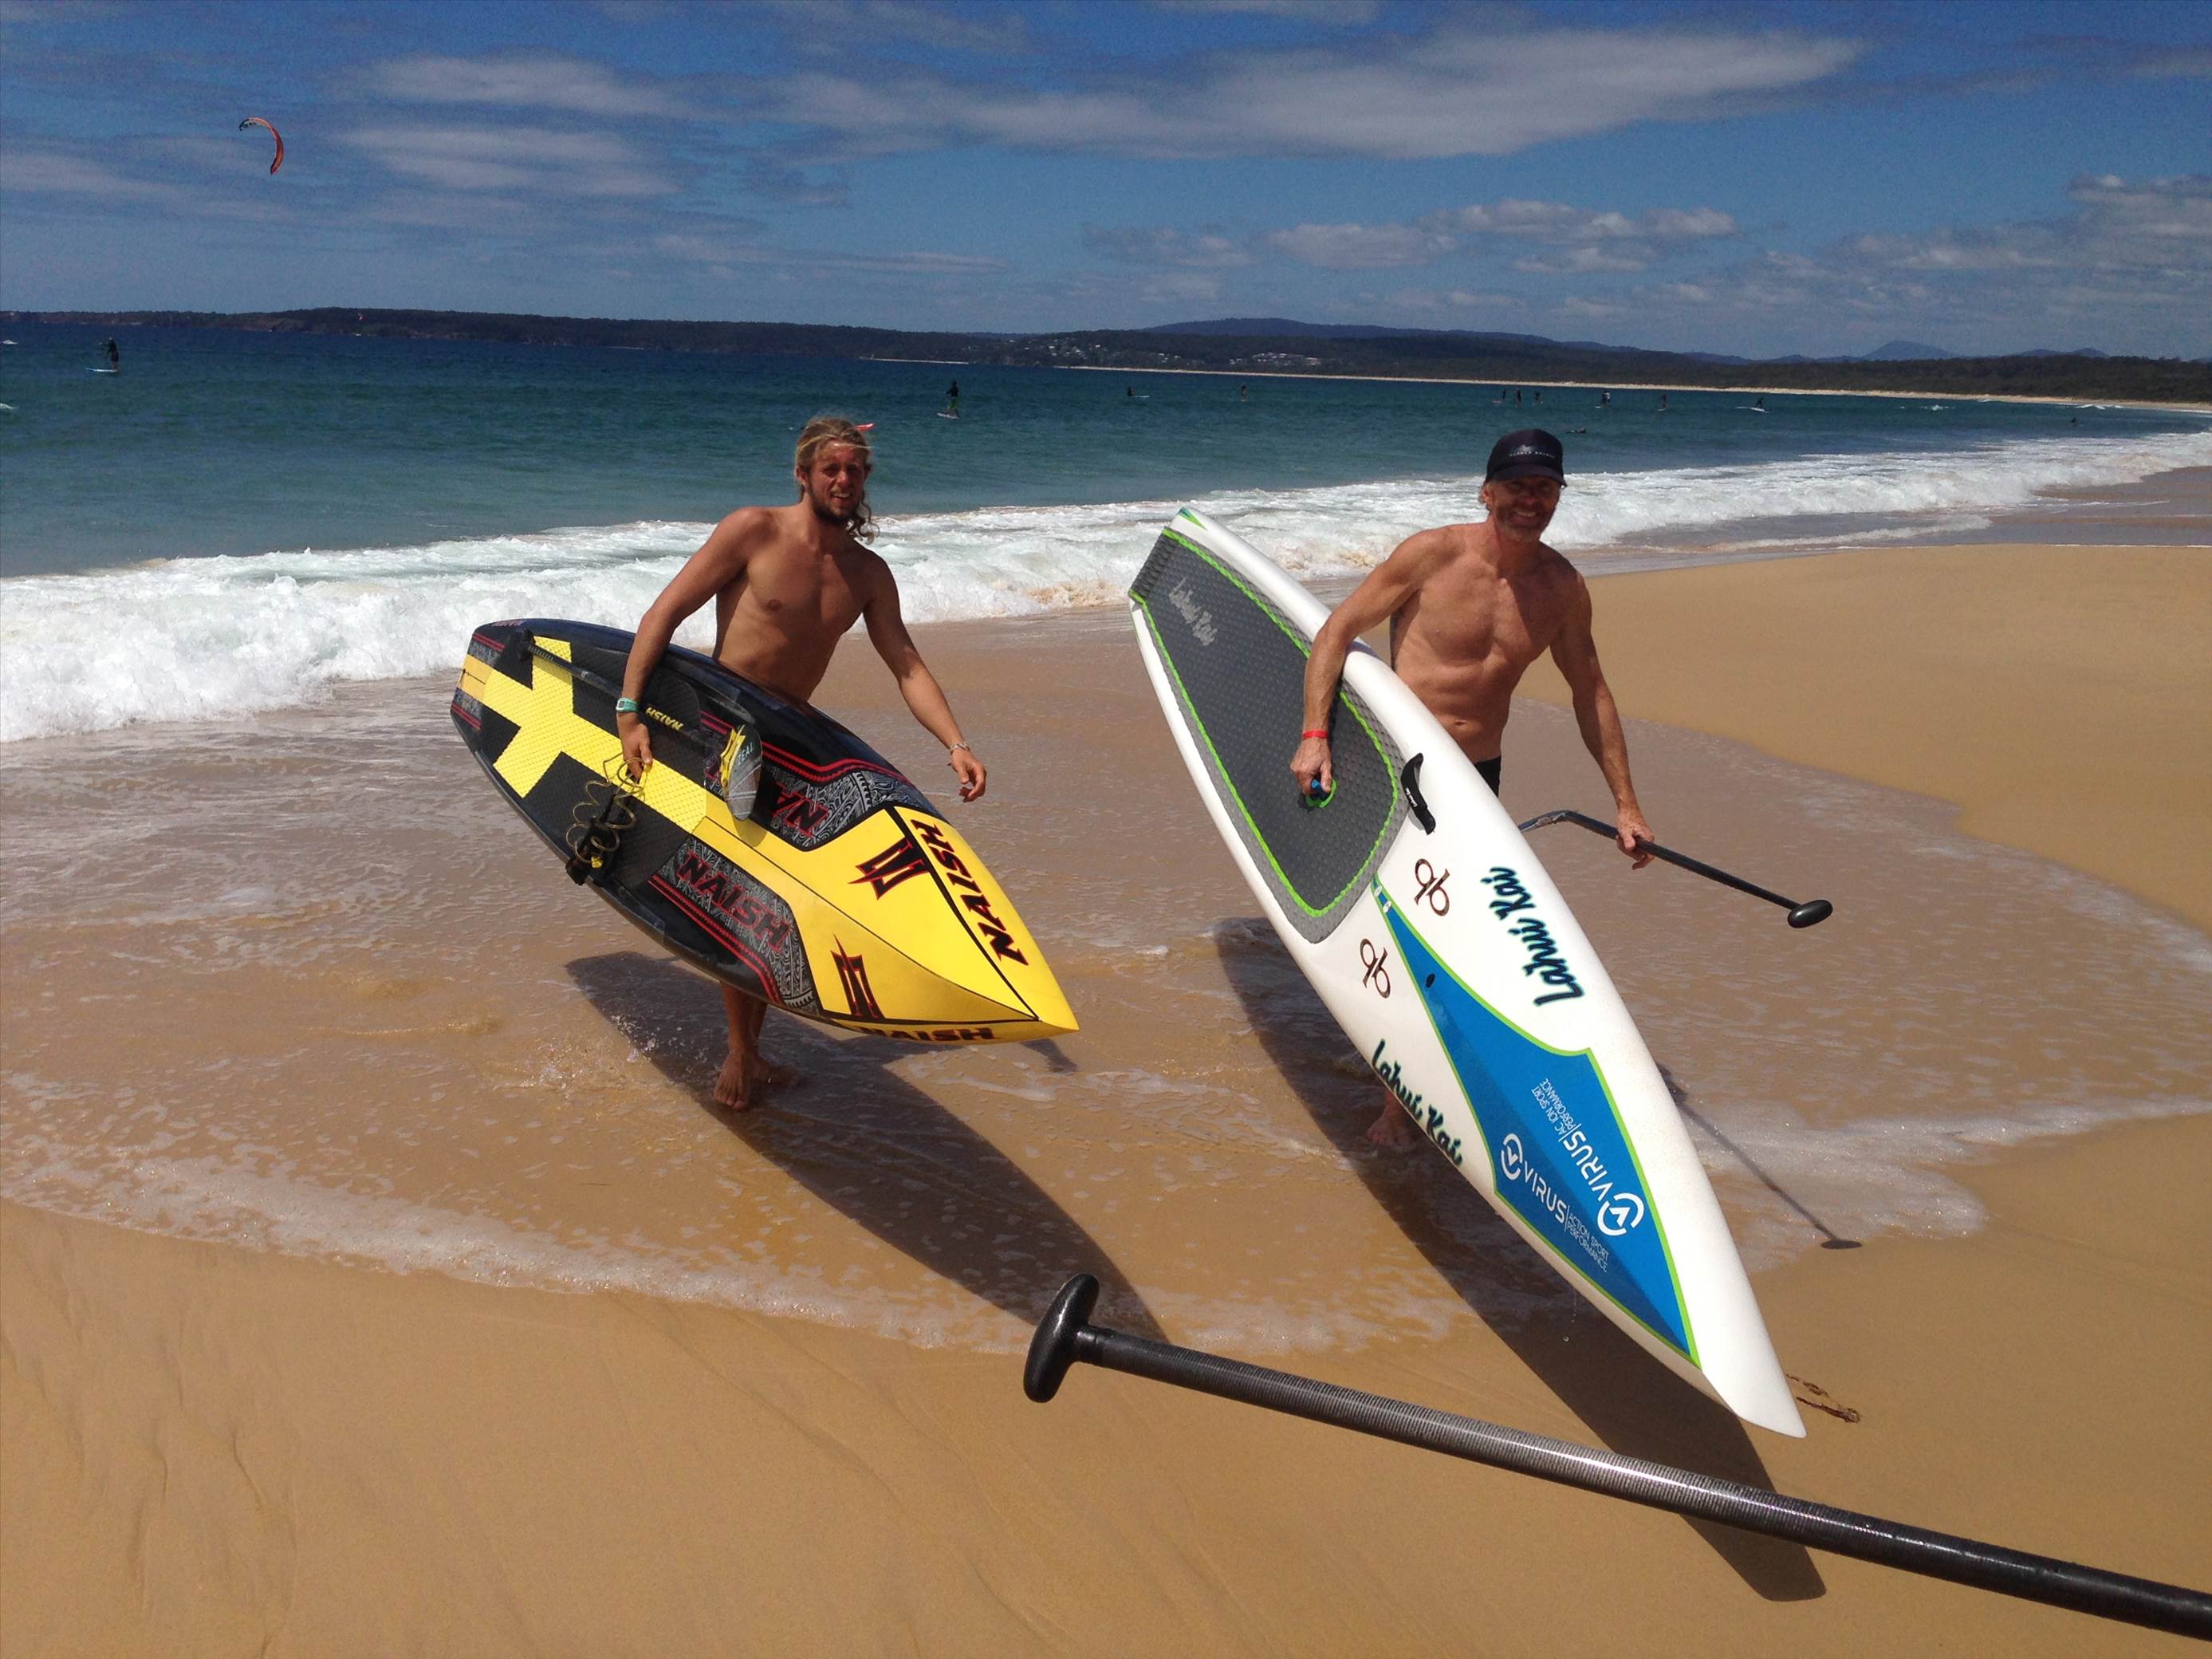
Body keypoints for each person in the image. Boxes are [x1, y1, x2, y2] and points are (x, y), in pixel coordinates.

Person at [1289, 428, 1653, 1149]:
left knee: (1445, 930)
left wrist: (1627, 804)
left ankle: (1404, 1102)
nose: (1530, 500)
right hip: (1394, 762)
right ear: (1487, 492)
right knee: (1383, 922)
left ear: (1558, 497)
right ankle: (1382, 1062)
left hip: (1474, 781)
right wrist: (1315, 733)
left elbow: (1590, 692)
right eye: (1517, 486)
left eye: (1545, 488)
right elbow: (1336, 631)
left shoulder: (1561, 589)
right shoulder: (1431, 556)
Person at [616, 415, 988, 1111]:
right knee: (741, 893)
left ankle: (752, 1053)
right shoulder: (752, 531)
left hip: (792, 740)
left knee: (774, 902)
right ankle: (740, 1054)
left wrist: (956, 743)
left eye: (855, 470)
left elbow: (907, 666)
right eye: (831, 469)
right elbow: (664, 613)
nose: (844, 480)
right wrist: (630, 710)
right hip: (725, 730)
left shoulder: (867, 574)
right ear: (803, 473)